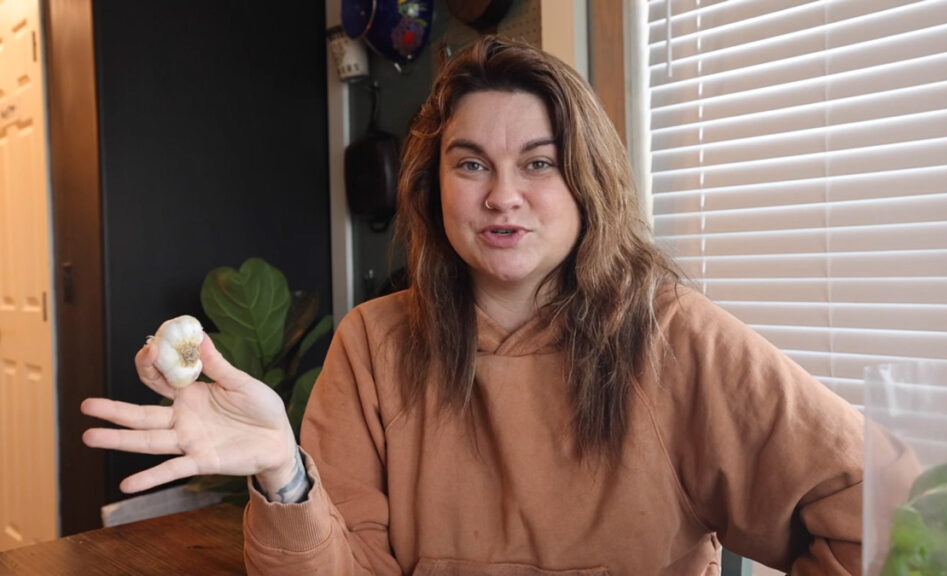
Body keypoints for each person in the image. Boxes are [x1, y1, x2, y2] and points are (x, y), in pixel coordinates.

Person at [82, 35, 878, 575]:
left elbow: (876, 512)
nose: (504, 197)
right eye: (472, 164)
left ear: (587, 183)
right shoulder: (373, 344)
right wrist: (284, 474)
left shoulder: (675, 335)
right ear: (434, 188)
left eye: (539, 162)